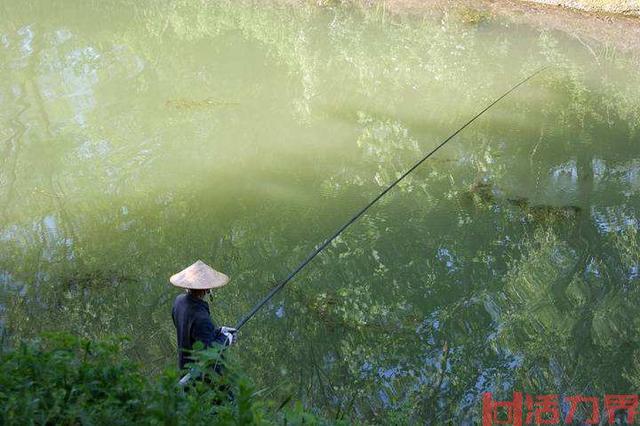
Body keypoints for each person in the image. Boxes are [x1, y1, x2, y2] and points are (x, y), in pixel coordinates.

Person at [170, 260, 237, 373]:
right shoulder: (202, 318)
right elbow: (208, 353)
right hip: (200, 377)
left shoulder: (179, 301)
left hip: (185, 367)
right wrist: (226, 339)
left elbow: (193, 333)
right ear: (206, 289)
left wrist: (218, 332)